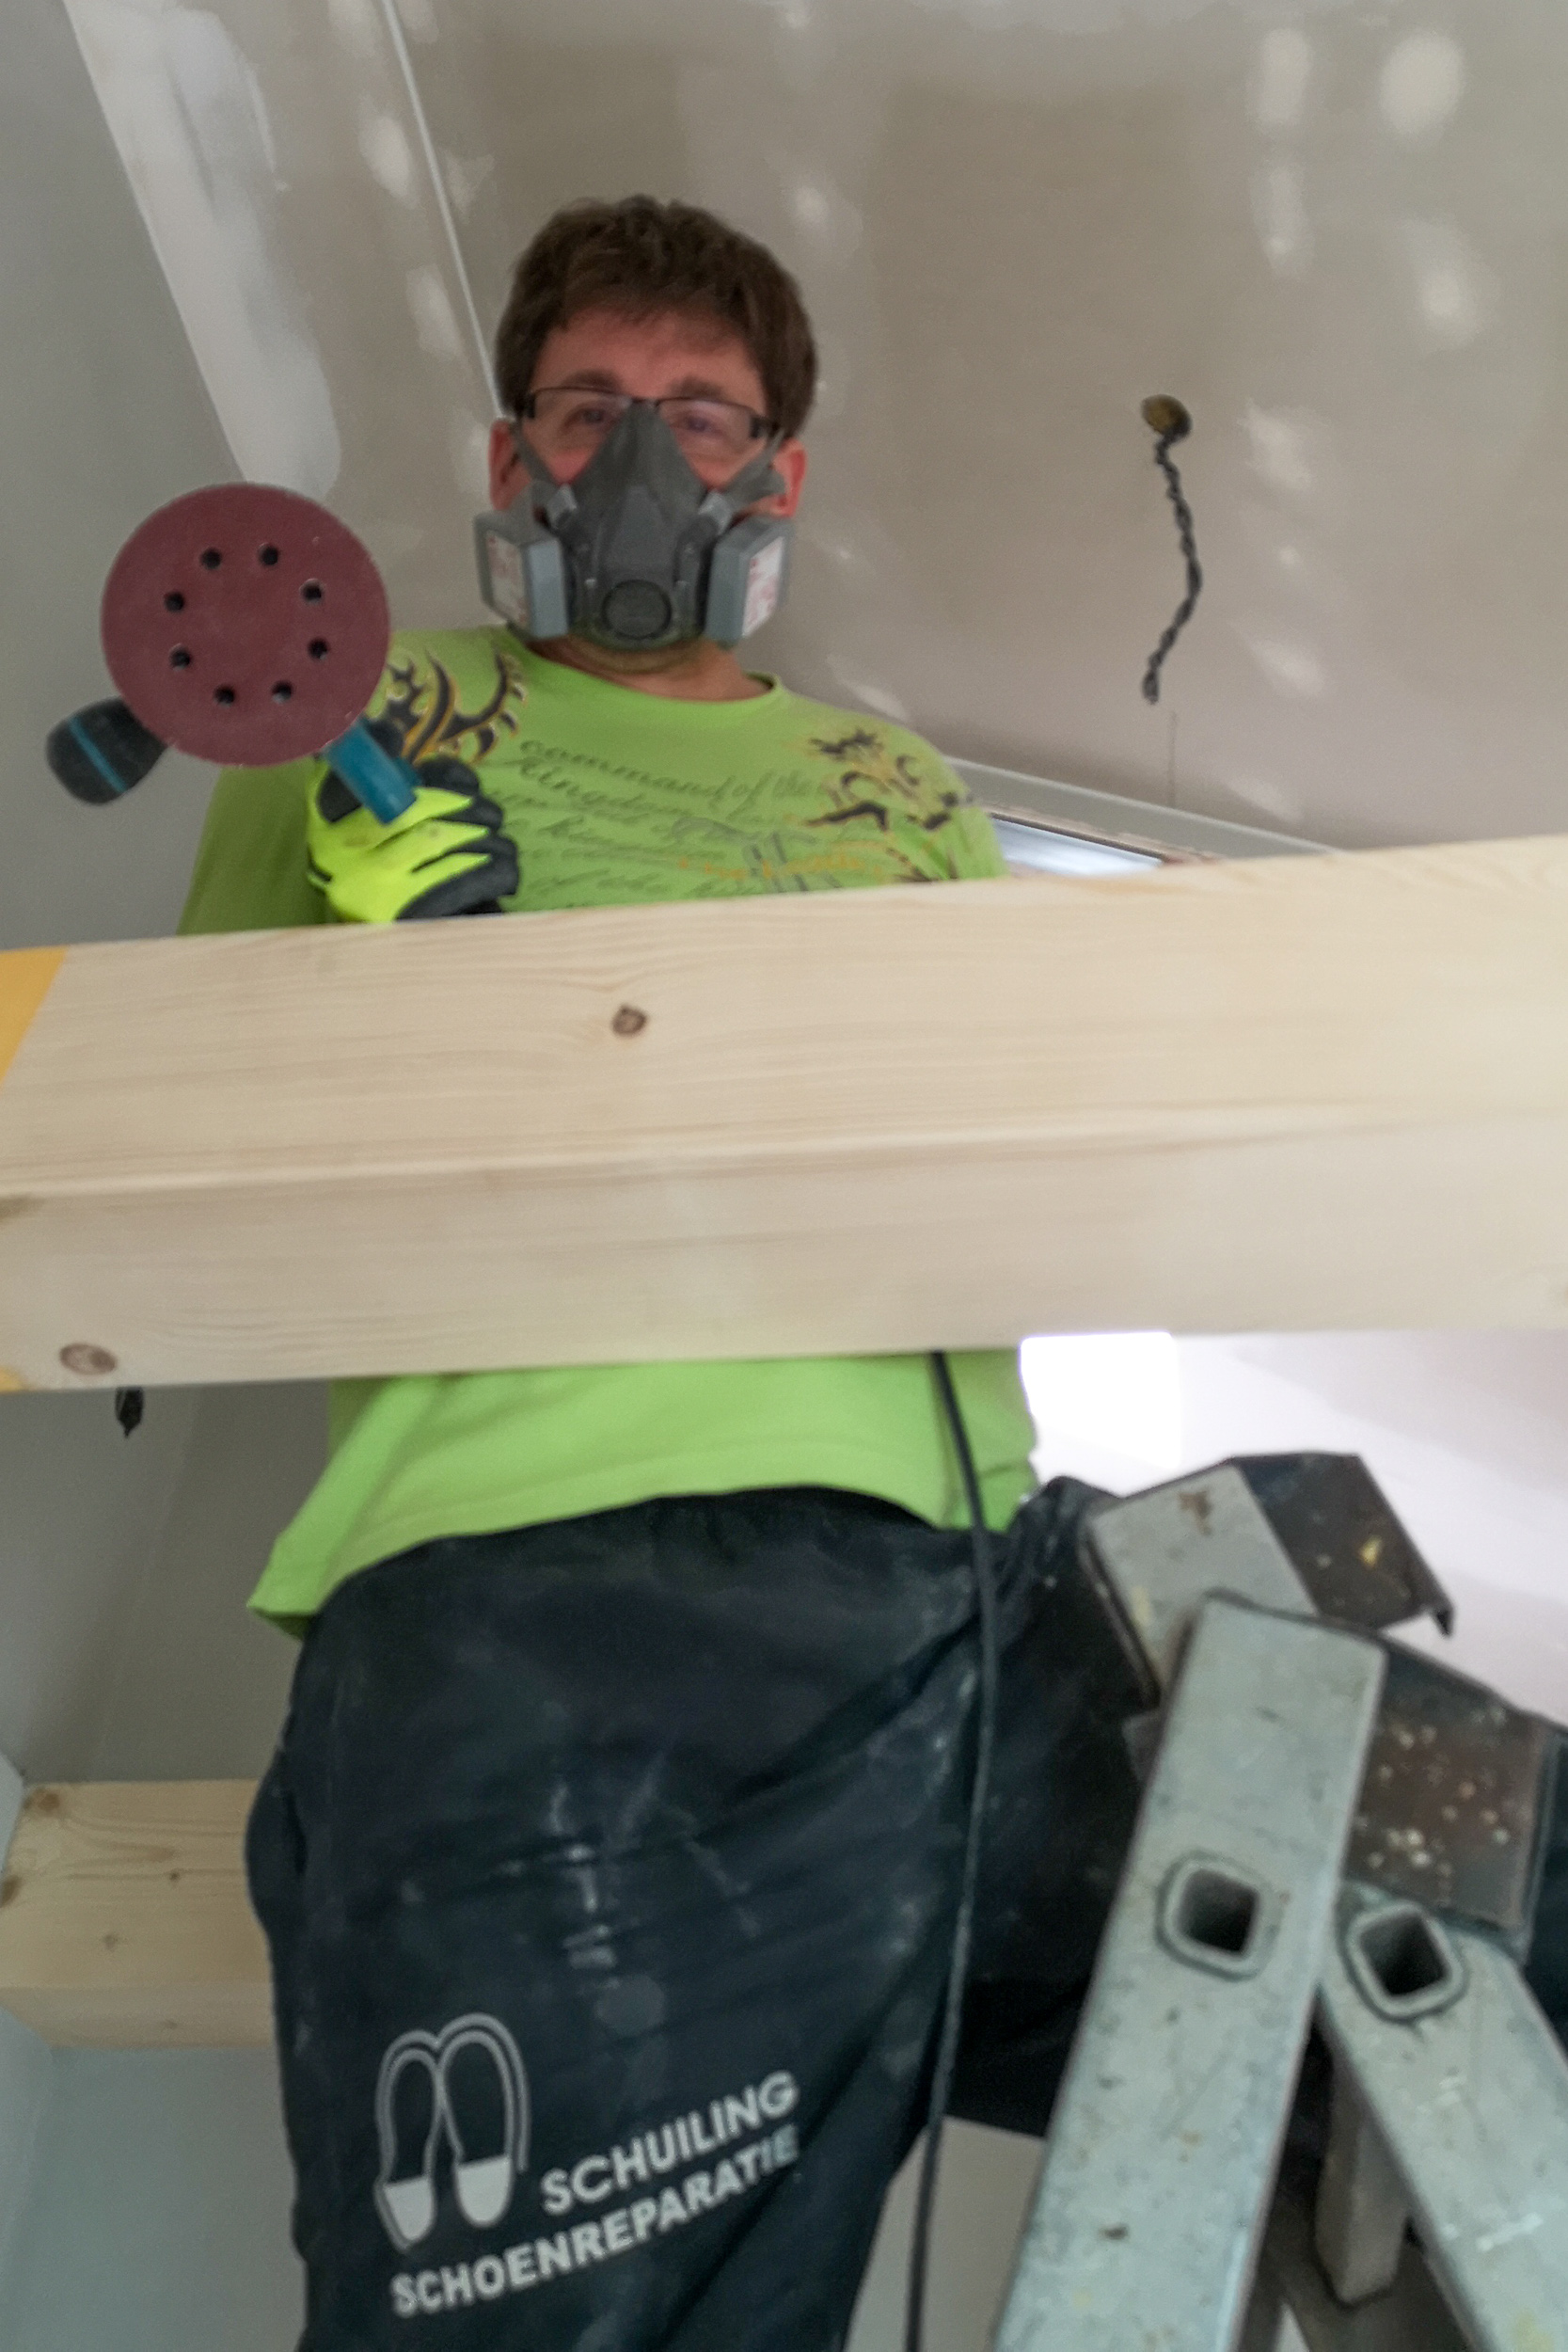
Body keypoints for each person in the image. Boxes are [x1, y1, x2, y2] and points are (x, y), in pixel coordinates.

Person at [177, 195, 1568, 2350]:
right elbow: (177, 1134)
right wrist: (359, 973)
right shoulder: (364, 704)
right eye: (589, 409)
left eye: (704, 416)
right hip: (536, 1618)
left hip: (962, 1590)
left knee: (1511, 1875)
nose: (642, 460)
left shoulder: (896, 782)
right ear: (509, 453)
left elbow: (1005, 1137)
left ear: (782, 471)